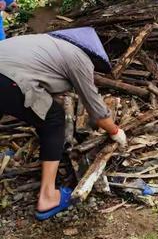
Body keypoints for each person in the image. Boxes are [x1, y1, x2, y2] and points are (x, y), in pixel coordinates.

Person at [0, 27, 128, 220]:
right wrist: (115, 131)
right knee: (54, 120)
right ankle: (48, 196)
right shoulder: (79, 57)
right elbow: (97, 110)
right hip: (9, 79)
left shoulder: (45, 41)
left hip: (6, 73)